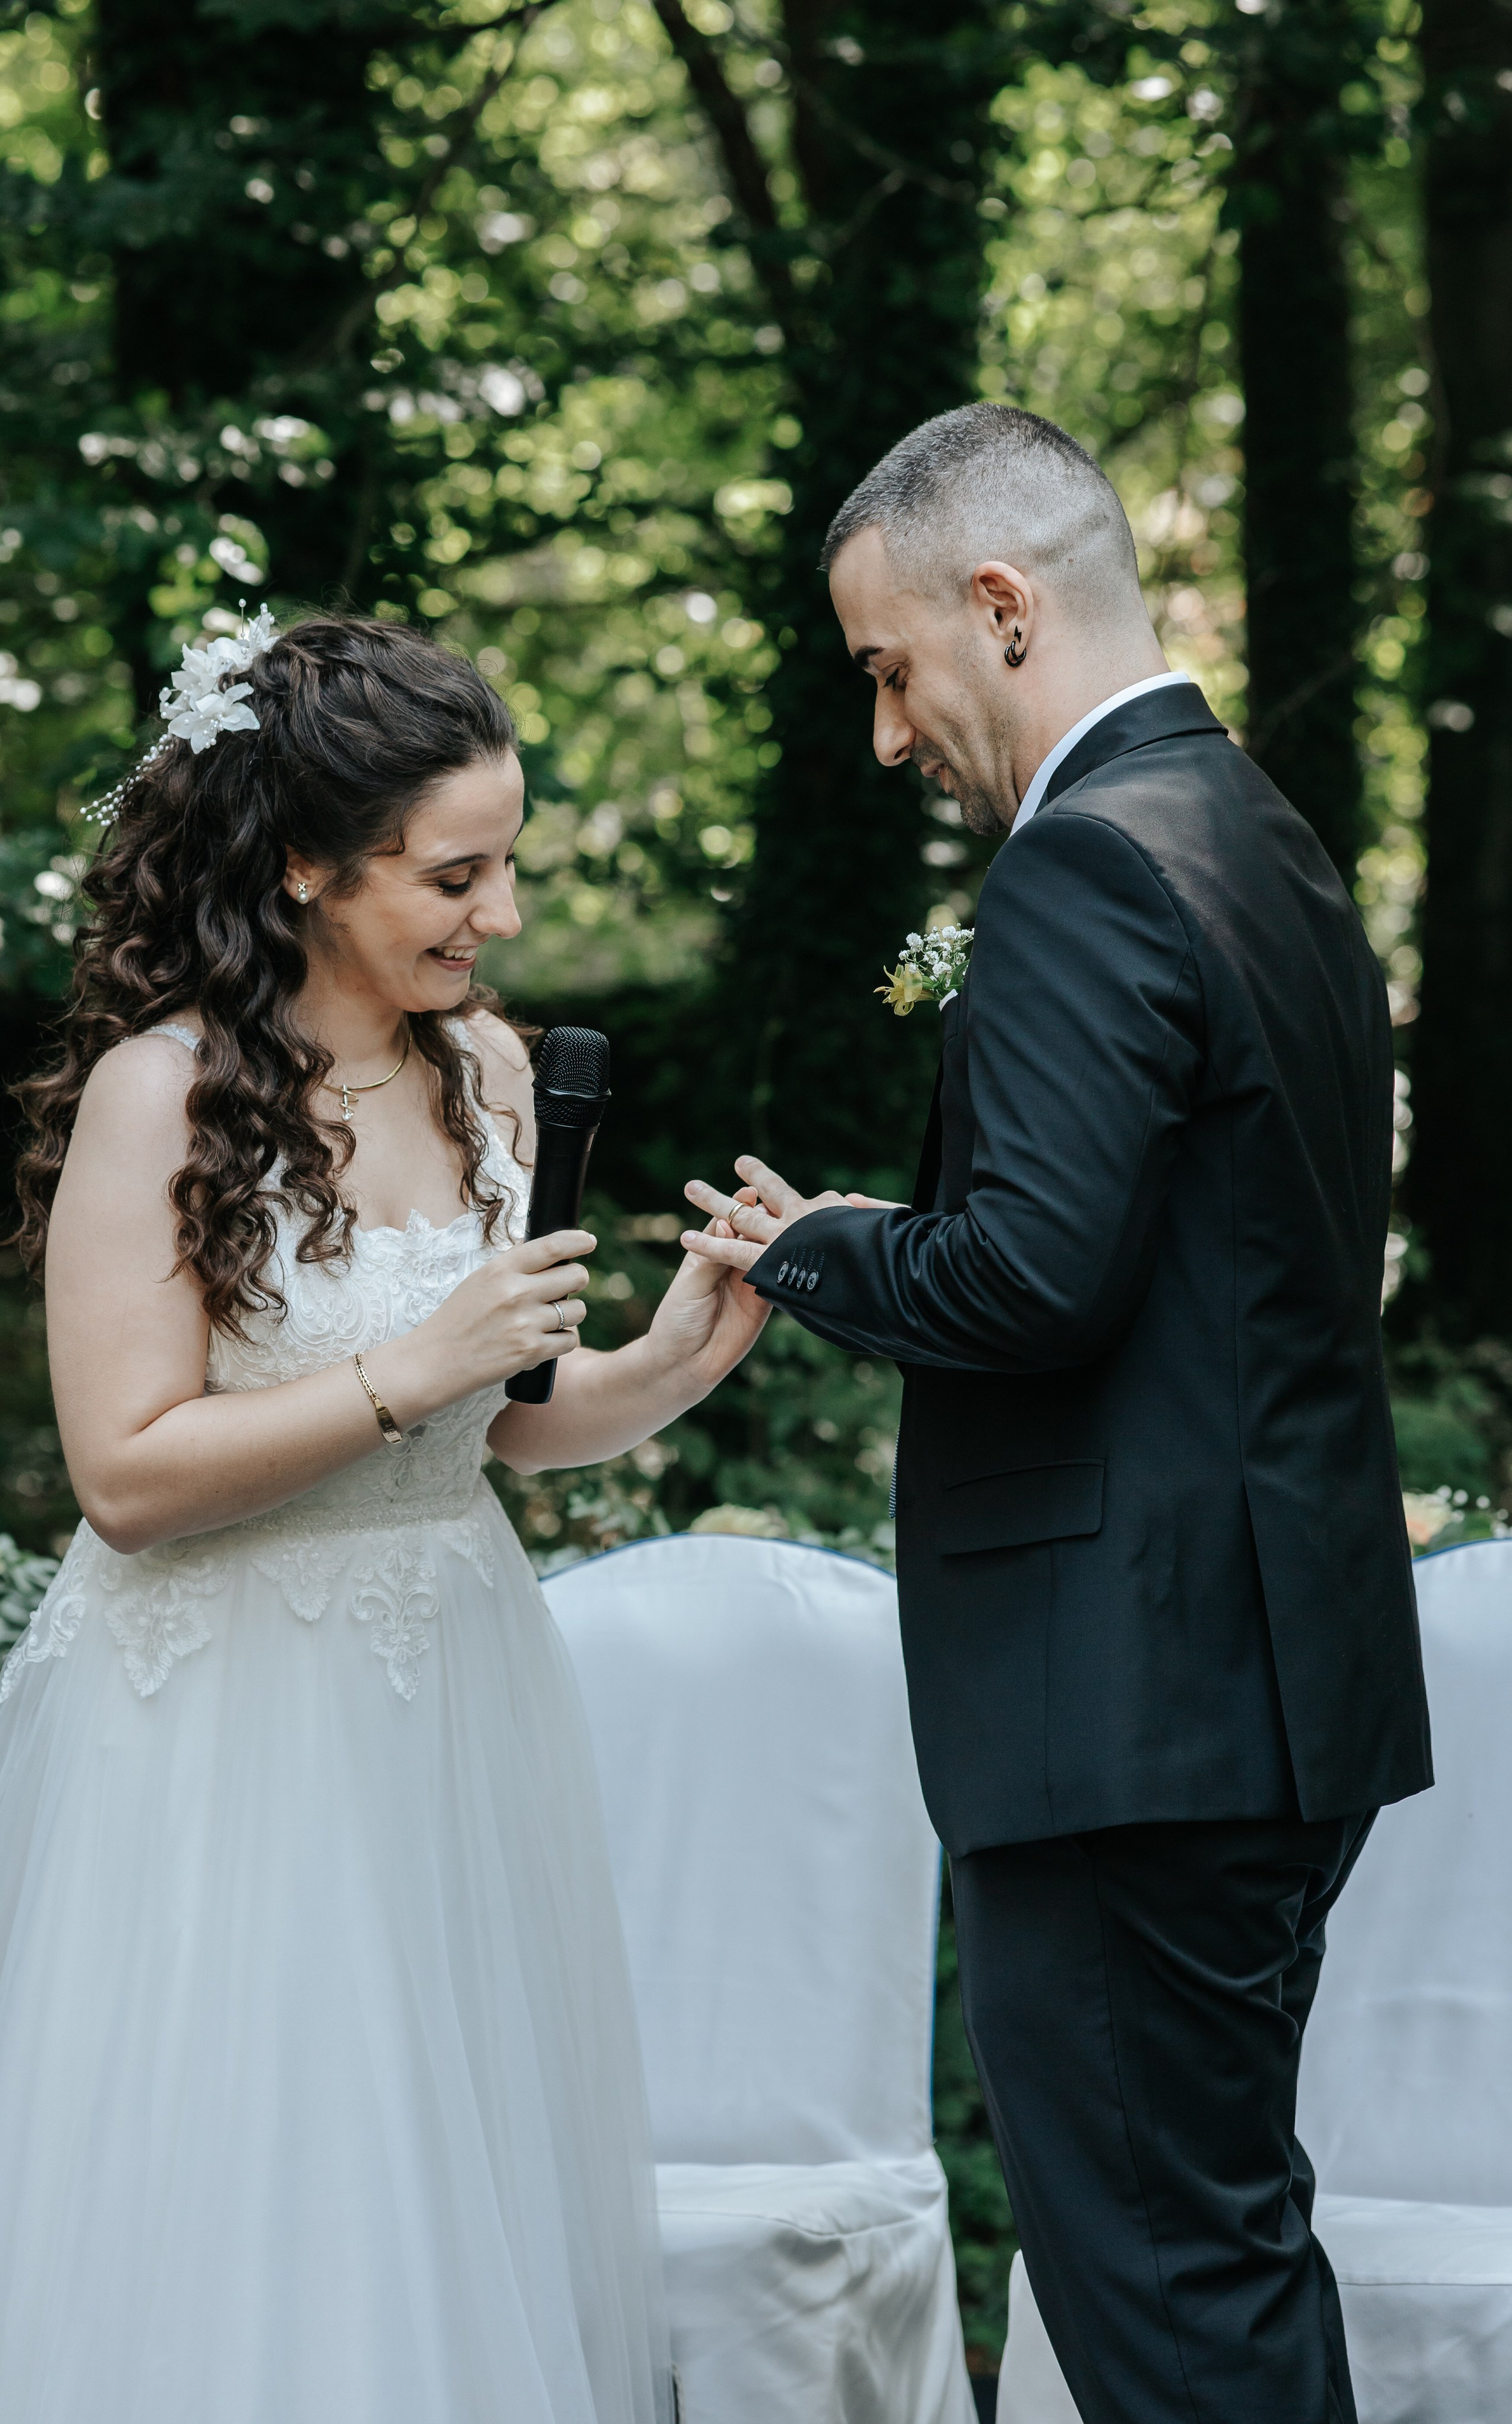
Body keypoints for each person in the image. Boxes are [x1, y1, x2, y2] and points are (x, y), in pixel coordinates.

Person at [0, 610, 769, 2423]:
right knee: (229, 2187)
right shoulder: (168, 1095)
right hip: (210, 1726)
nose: (500, 915)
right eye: (457, 875)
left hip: (445, 1694)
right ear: (303, 862)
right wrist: (414, 1364)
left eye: (508, 865)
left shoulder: (496, 1076)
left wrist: (676, 1357)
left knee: (440, 2183)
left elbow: (510, 1428)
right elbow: (128, 1477)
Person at [682, 403, 1431, 2423]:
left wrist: (828, 1245)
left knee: (1168, 2293)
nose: (885, 731)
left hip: (1136, 1720)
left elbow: (1029, 1277)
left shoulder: (1086, 868)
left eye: (890, 668)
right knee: (1217, 2250)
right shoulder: (1257, 833)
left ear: (1001, 607)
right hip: (1267, 1689)